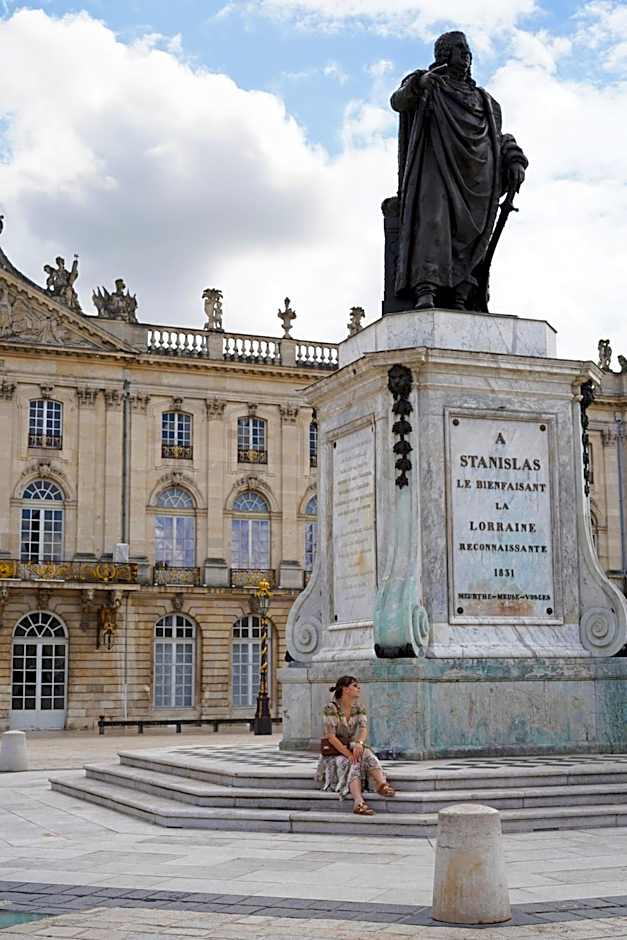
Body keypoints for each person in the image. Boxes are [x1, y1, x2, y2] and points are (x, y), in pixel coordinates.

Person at [390, 30, 528, 312]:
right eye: (460, 49)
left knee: (475, 235)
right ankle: (425, 289)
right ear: (444, 54)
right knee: (433, 222)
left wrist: (514, 157)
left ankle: (461, 296)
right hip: (436, 165)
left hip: (479, 177)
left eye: (468, 51)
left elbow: (498, 138)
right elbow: (398, 101)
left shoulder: (486, 101)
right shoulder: (427, 83)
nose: (466, 55)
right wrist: (419, 84)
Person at [315, 675, 395, 816]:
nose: (359, 689)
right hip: (334, 751)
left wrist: (359, 743)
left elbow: (364, 728)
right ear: (345, 689)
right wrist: (349, 755)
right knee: (355, 761)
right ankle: (358, 801)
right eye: (355, 686)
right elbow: (331, 737)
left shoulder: (359, 707)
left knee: (364, 752)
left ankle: (382, 784)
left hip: (350, 746)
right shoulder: (330, 708)